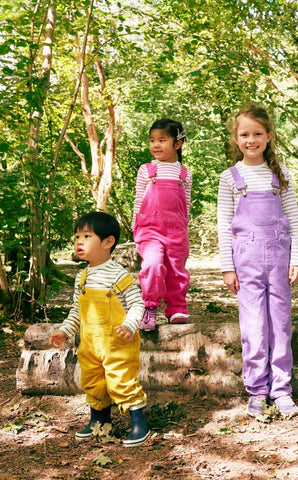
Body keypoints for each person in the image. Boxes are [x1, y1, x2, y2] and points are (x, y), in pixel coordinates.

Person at [217, 105, 298, 418]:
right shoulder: (230, 178)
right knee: (253, 326)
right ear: (236, 139)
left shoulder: (281, 175)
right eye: (244, 134)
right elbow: (224, 225)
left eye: (257, 133)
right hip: (246, 262)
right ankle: (257, 390)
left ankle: (282, 389)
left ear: (268, 136)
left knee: (280, 324)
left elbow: (294, 220)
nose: (251, 140)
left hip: (279, 260)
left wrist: (297, 258)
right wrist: (227, 267)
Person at [48, 211, 150, 447]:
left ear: (108, 242)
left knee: (121, 381)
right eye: (77, 237)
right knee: (93, 381)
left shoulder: (119, 275)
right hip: (90, 343)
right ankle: (100, 421)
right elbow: (77, 310)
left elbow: (137, 304)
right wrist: (64, 331)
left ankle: (139, 424)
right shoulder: (82, 277)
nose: (79, 241)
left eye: (87, 236)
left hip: (117, 343)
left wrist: (129, 325)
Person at [132, 119, 192, 330]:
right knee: (153, 265)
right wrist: (136, 225)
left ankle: (177, 309)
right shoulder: (146, 170)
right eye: (152, 140)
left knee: (176, 270)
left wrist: (184, 226)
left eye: (162, 140)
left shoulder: (184, 173)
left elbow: (186, 203)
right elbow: (138, 200)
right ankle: (150, 307)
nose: (155, 145)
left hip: (177, 230)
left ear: (178, 143)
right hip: (149, 229)